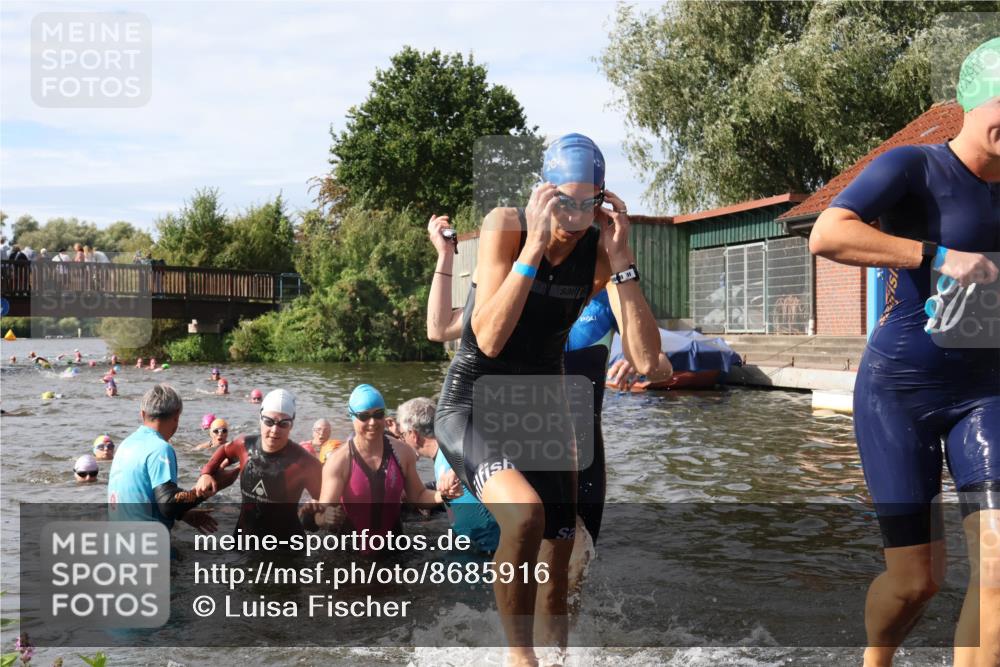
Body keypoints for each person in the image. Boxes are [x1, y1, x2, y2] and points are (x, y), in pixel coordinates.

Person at [432, 133, 662, 664]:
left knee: (559, 555)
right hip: (473, 401)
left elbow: (650, 363)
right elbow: (487, 338)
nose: (575, 217)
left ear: (603, 199)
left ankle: (554, 659)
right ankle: (521, 659)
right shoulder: (505, 225)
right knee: (525, 516)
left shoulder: (601, 249)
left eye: (589, 203)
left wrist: (622, 258)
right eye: (564, 202)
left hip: (542, 409)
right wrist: (534, 247)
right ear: (544, 193)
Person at [810, 38, 1000, 667]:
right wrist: (938, 255)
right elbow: (827, 232)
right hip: (901, 390)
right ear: (974, 101)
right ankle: (876, 660)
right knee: (916, 581)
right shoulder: (915, 167)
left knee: (998, 572)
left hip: (988, 391)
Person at [316, 384, 448, 537]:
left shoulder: (403, 453)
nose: (372, 422)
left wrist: (443, 494)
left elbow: (418, 495)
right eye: (364, 416)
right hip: (352, 551)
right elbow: (322, 513)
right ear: (352, 417)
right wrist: (324, 518)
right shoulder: (339, 461)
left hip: (395, 547)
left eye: (378, 414)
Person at [195, 389, 322, 540]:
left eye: (284, 424)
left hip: (286, 549)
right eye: (269, 422)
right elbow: (224, 449)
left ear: (292, 425)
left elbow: (327, 506)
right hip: (243, 539)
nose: (275, 430)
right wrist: (206, 473)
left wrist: (314, 516)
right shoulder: (243, 444)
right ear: (260, 418)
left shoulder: (305, 463)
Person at [107, 384, 219, 533]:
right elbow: (168, 504)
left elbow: (141, 495)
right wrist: (204, 491)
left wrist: (182, 514)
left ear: (142, 414)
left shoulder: (125, 445)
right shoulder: (160, 448)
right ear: (177, 415)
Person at [397, 397, 496, 552]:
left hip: (487, 550)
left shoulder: (453, 454)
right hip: (477, 545)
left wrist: (456, 470)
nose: (402, 441)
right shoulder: (445, 453)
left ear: (413, 435)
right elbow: (421, 496)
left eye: (402, 435)